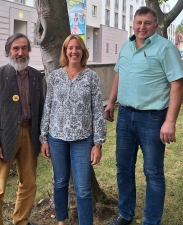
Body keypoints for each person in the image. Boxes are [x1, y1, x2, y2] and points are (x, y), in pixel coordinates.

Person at [105, 6, 183, 225]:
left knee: (153, 172)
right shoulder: (126, 46)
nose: (142, 27)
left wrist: (170, 121)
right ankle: (125, 213)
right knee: (123, 167)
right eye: (138, 22)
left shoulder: (165, 48)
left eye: (147, 23)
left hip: (153, 118)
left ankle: (151, 220)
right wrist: (111, 102)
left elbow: (177, 84)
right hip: (125, 117)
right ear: (133, 24)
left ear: (155, 25)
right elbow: (119, 75)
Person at [40, 34, 106, 225]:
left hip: (83, 140)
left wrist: (97, 144)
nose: (74, 51)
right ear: (65, 51)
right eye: (70, 48)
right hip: (56, 138)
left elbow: (97, 112)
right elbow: (48, 107)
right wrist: (43, 138)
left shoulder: (92, 77)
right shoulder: (55, 77)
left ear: (83, 51)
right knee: (60, 182)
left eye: (77, 48)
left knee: (83, 188)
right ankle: (62, 220)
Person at [0, 33, 44, 225]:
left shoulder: (35, 75)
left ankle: (21, 220)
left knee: (29, 183)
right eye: (16, 49)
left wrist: (42, 138)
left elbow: (40, 108)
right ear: (8, 51)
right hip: (3, 139)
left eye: (24, 48)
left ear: (29, 51)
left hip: (29, 134)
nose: (20, 53)